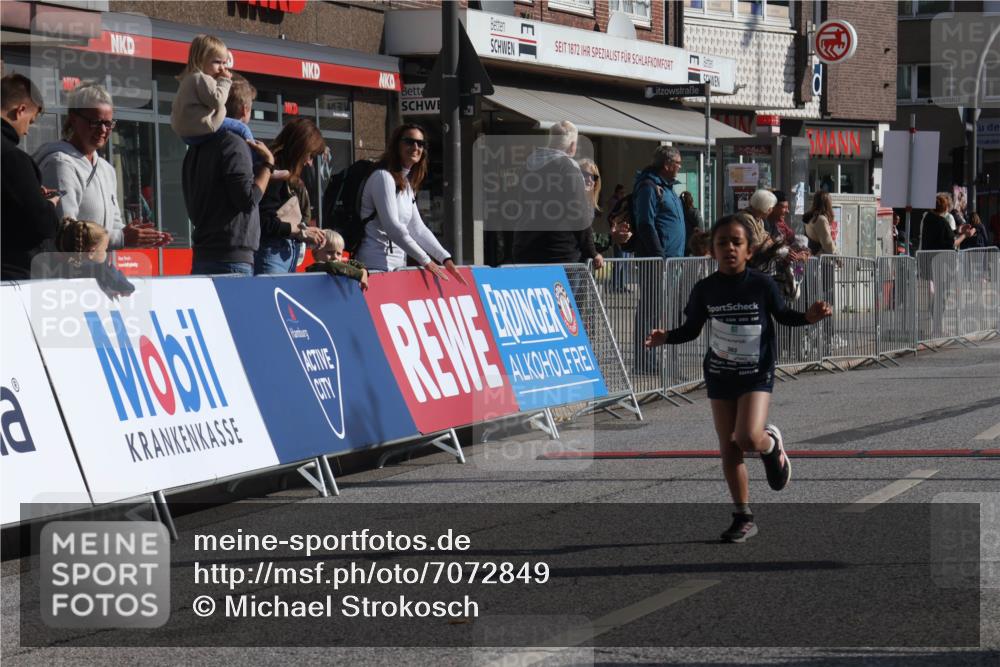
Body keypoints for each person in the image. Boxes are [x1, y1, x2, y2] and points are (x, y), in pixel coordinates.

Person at [645, 215, 832, 542]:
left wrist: (808, 317)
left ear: (749, 250)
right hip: (720, 375)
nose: (729, 248)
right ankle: (743, 516)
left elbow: (784, 316)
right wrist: (666, 337)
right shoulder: (705, 289)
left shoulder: (761, 285)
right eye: (722, 243)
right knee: (729, 449)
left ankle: (770, 444)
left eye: (737, 242)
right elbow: (691, 330)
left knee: (746, 437)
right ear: (711, 251)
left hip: (756, 373)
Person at [35, 82, 168, 251]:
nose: (103, 129)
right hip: (67, 273)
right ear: (74, 120)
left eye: (108, 123)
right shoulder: (60, 164)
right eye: (95, 122)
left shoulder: (106, 169)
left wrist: (135, 234)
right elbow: (65, 232)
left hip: (98, 270)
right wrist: (121, 237)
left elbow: (114, 222)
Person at [183, 74, 274, 276]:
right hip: (231, 258)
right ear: (245, 109)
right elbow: (248, 200)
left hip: (206, 252)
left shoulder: (197, 145)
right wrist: (267, 165)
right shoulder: (234, 142)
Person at [355, 123, 464, 282]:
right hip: (374, 267)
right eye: (409, 141)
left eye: (421, 143)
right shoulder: (382, 177)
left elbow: (417, 228)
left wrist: (445, 258)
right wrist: (425, 260)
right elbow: (392, 227)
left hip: (397, 268)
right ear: (396, 145)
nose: (415, 147)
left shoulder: (406, 184)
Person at [510, 121, 599, 267]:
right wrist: (592, 252)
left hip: (524, 249)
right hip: (558, 253)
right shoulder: (568, 167)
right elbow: (578, 213)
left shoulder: (528, 165)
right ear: (572, 146)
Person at [629, 144, 685, 373]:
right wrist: (659, 256)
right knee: (650, 310)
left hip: (671, 261)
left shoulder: (667, 188)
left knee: (659, 310)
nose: (680, 168)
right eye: (678, 164)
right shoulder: (649, 186)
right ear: (667, 165)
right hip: (656, 261)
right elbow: (645, 223)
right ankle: (644, 361)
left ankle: (654, 359)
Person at [1, 73, 61, 279]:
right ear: (20, 110)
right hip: (10, 277)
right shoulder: (12, 158)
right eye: (31, 121)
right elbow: (40, 224)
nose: (26, 131)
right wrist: (49, 205)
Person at [254, 117, 328, 274]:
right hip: (272, 254)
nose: (309, 162)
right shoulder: (275, 172)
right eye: (310, 155)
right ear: (300, 149)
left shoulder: (283, 172)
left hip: (282, 254)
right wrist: (301, 232)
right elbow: (265, 221)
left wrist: (305, 231)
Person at [52, 217, 135, 297]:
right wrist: (127, 288)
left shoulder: (58, 264)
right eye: (105, 248)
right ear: (91, 252)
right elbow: (123, 284)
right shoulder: (98, 268)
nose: (106, 252)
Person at [577, 157, 605, 269]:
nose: (589, 179)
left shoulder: (589, 204)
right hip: (572, 263)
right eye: (584, 174)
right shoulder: (574, 202)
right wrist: (594, 254)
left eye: (594, 177)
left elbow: (588, 235)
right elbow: (583, 235)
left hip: (581, 263)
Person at [803, 191, 838, 256]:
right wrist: (838, 258)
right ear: (828, 204)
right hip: (822, 261)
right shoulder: (821, 220)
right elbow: (828, 245)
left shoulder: (811, 217)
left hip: (814, 259)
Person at [680, 191, 704, 256]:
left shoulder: (681, 213)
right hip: (691, 244)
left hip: (684, 243)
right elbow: (700, 228)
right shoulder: (695, 212)